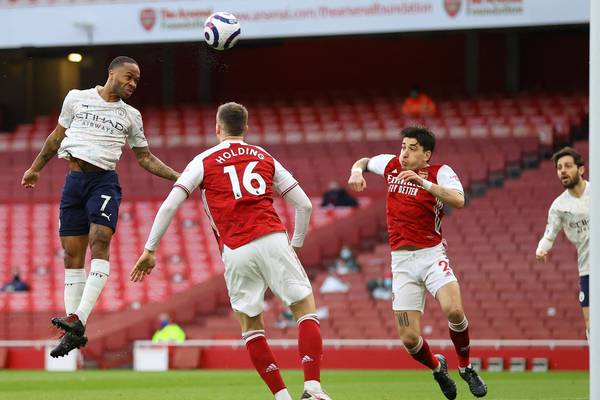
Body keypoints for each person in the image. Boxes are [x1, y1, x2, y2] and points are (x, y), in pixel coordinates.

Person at [130, 102, 332, 400]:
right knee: (304, 310)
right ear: (245, 129)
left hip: (235, 249)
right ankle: (313, 389)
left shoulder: (203, 160)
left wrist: (150, 249)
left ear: (217, 128)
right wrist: (296, 244)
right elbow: (304, 204)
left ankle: (282, 396)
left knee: (251, 326)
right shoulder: (264, 155)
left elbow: (171, 203)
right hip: (272, 238)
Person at [21, 56, 180, 358]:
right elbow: (57, 137)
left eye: (136, 80)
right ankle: (72, 328)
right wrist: (35, 168)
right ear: (111, 73)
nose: (133, 83)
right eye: (129, 77)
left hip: (103, 183)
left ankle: (78, 318)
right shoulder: (76, 98)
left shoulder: (130, 115)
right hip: (73, 183)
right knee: (71, 254)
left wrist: (179, 176)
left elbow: (144, 158)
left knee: (100, 242)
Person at [348, 126, 487, 399]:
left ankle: (466, 367)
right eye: (403, 146)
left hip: (431, 256)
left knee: (455, 311)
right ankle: (438, 368)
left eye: (412, 148)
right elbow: (364, 162)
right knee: (409, 340)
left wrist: (423, 183)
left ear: (426, 154)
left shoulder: (440, 172)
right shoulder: (390, 165)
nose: (404, 153)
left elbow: (459, 200)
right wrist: (355, 171)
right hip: (401, 262)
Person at [536, 146, 590, 337]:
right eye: (559, 168)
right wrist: (541, 249)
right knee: (591, 325)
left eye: (568, 166)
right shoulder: (559, 207)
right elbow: (550, 234)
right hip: (588, 270)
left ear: (581, 169)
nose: (563, 171)